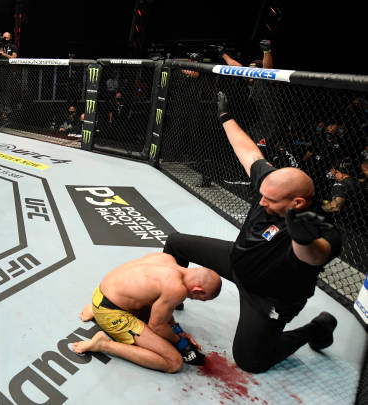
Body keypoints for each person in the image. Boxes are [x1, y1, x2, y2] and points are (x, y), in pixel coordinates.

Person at [161, 91, 342, 373]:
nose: (261, 202)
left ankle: (316, 327)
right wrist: (225, 117)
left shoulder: (319, 228)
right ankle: (174, 298)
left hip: (268, 297)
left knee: (251, 361)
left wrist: (301, 237)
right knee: (176, 243)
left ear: (297, 203)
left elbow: (314, 255)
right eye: (262, 193)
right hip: (238, 260)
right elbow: (249, 154)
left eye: (270, 200)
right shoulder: (271, 185)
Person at [72, 252, 222, 373]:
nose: (194, 299)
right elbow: (157, 326)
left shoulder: (166, 258)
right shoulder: (177, 289)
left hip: (102, 292)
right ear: (198, 290)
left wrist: (178, 331)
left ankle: (96, 308)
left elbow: (153, 300)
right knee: (173, 362)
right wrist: (180, 342)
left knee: (153, 304)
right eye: (200, 299)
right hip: (111, 312)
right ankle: (104, 345)